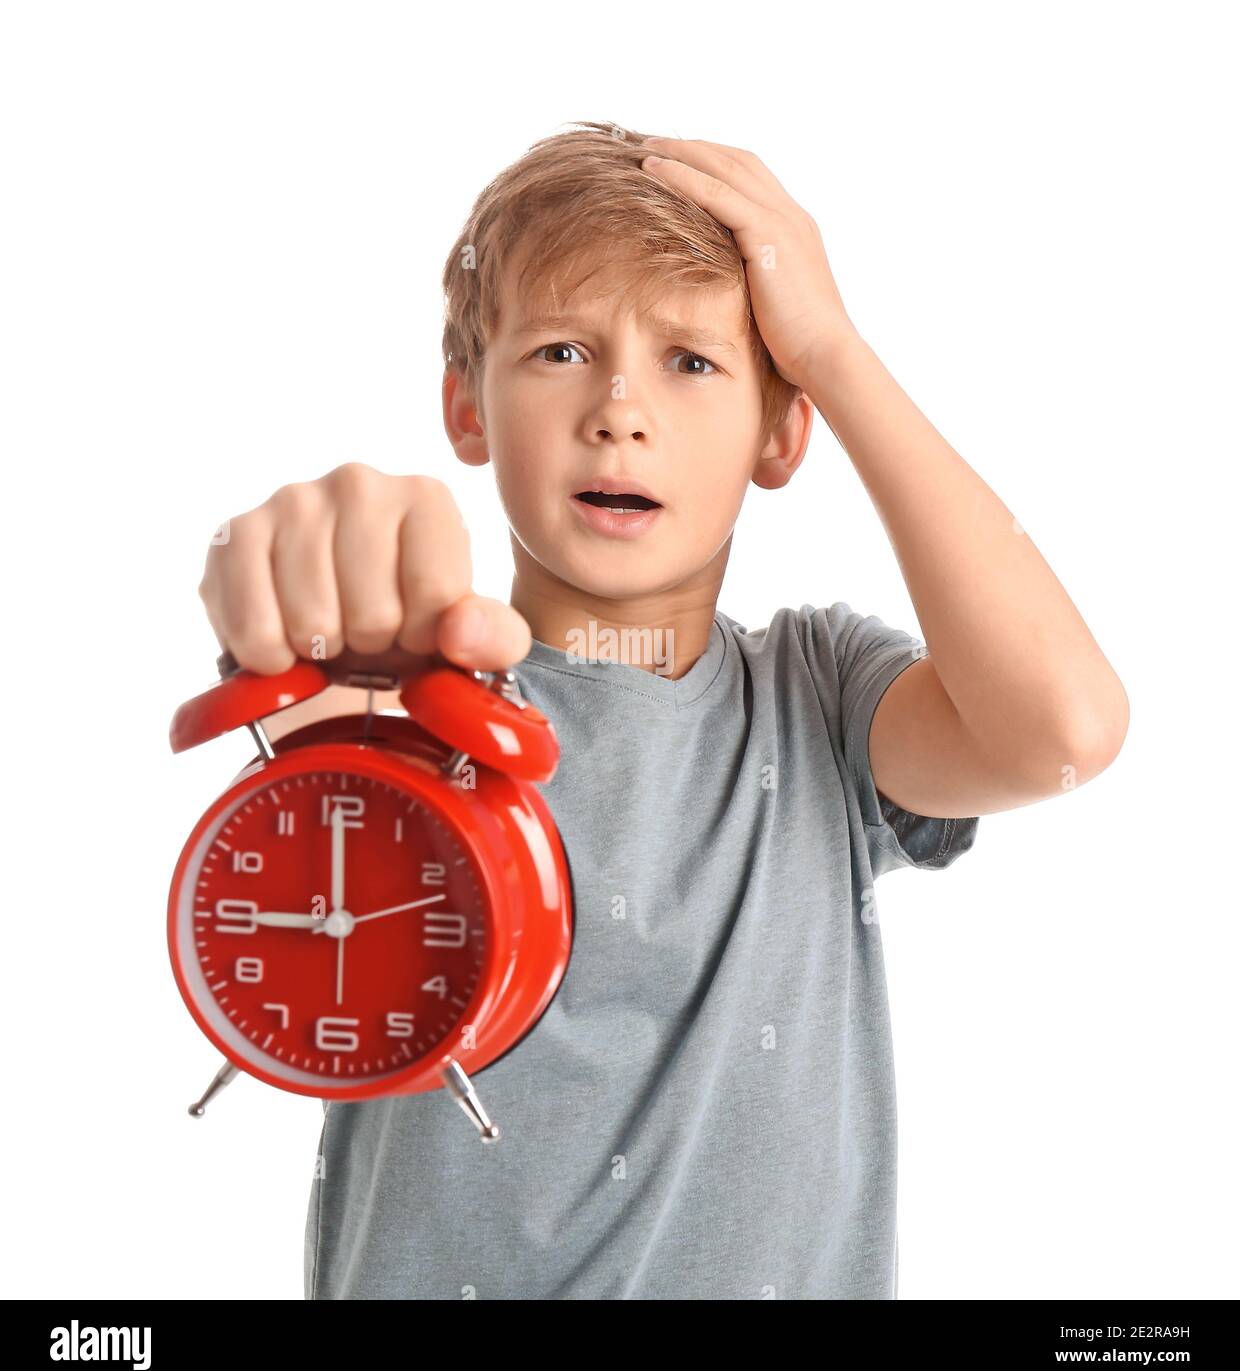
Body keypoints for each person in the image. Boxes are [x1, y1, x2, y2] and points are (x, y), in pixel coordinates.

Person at [197, 121, 1129, 1299]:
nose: (619, 409)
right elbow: (310, 818)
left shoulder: (823, 699)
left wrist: (832, 352)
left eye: (692, 362)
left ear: (782, 432)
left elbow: (1064, 729)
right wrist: (301, 628)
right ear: (466, 407)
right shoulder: (411, 702)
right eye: (559, 351)